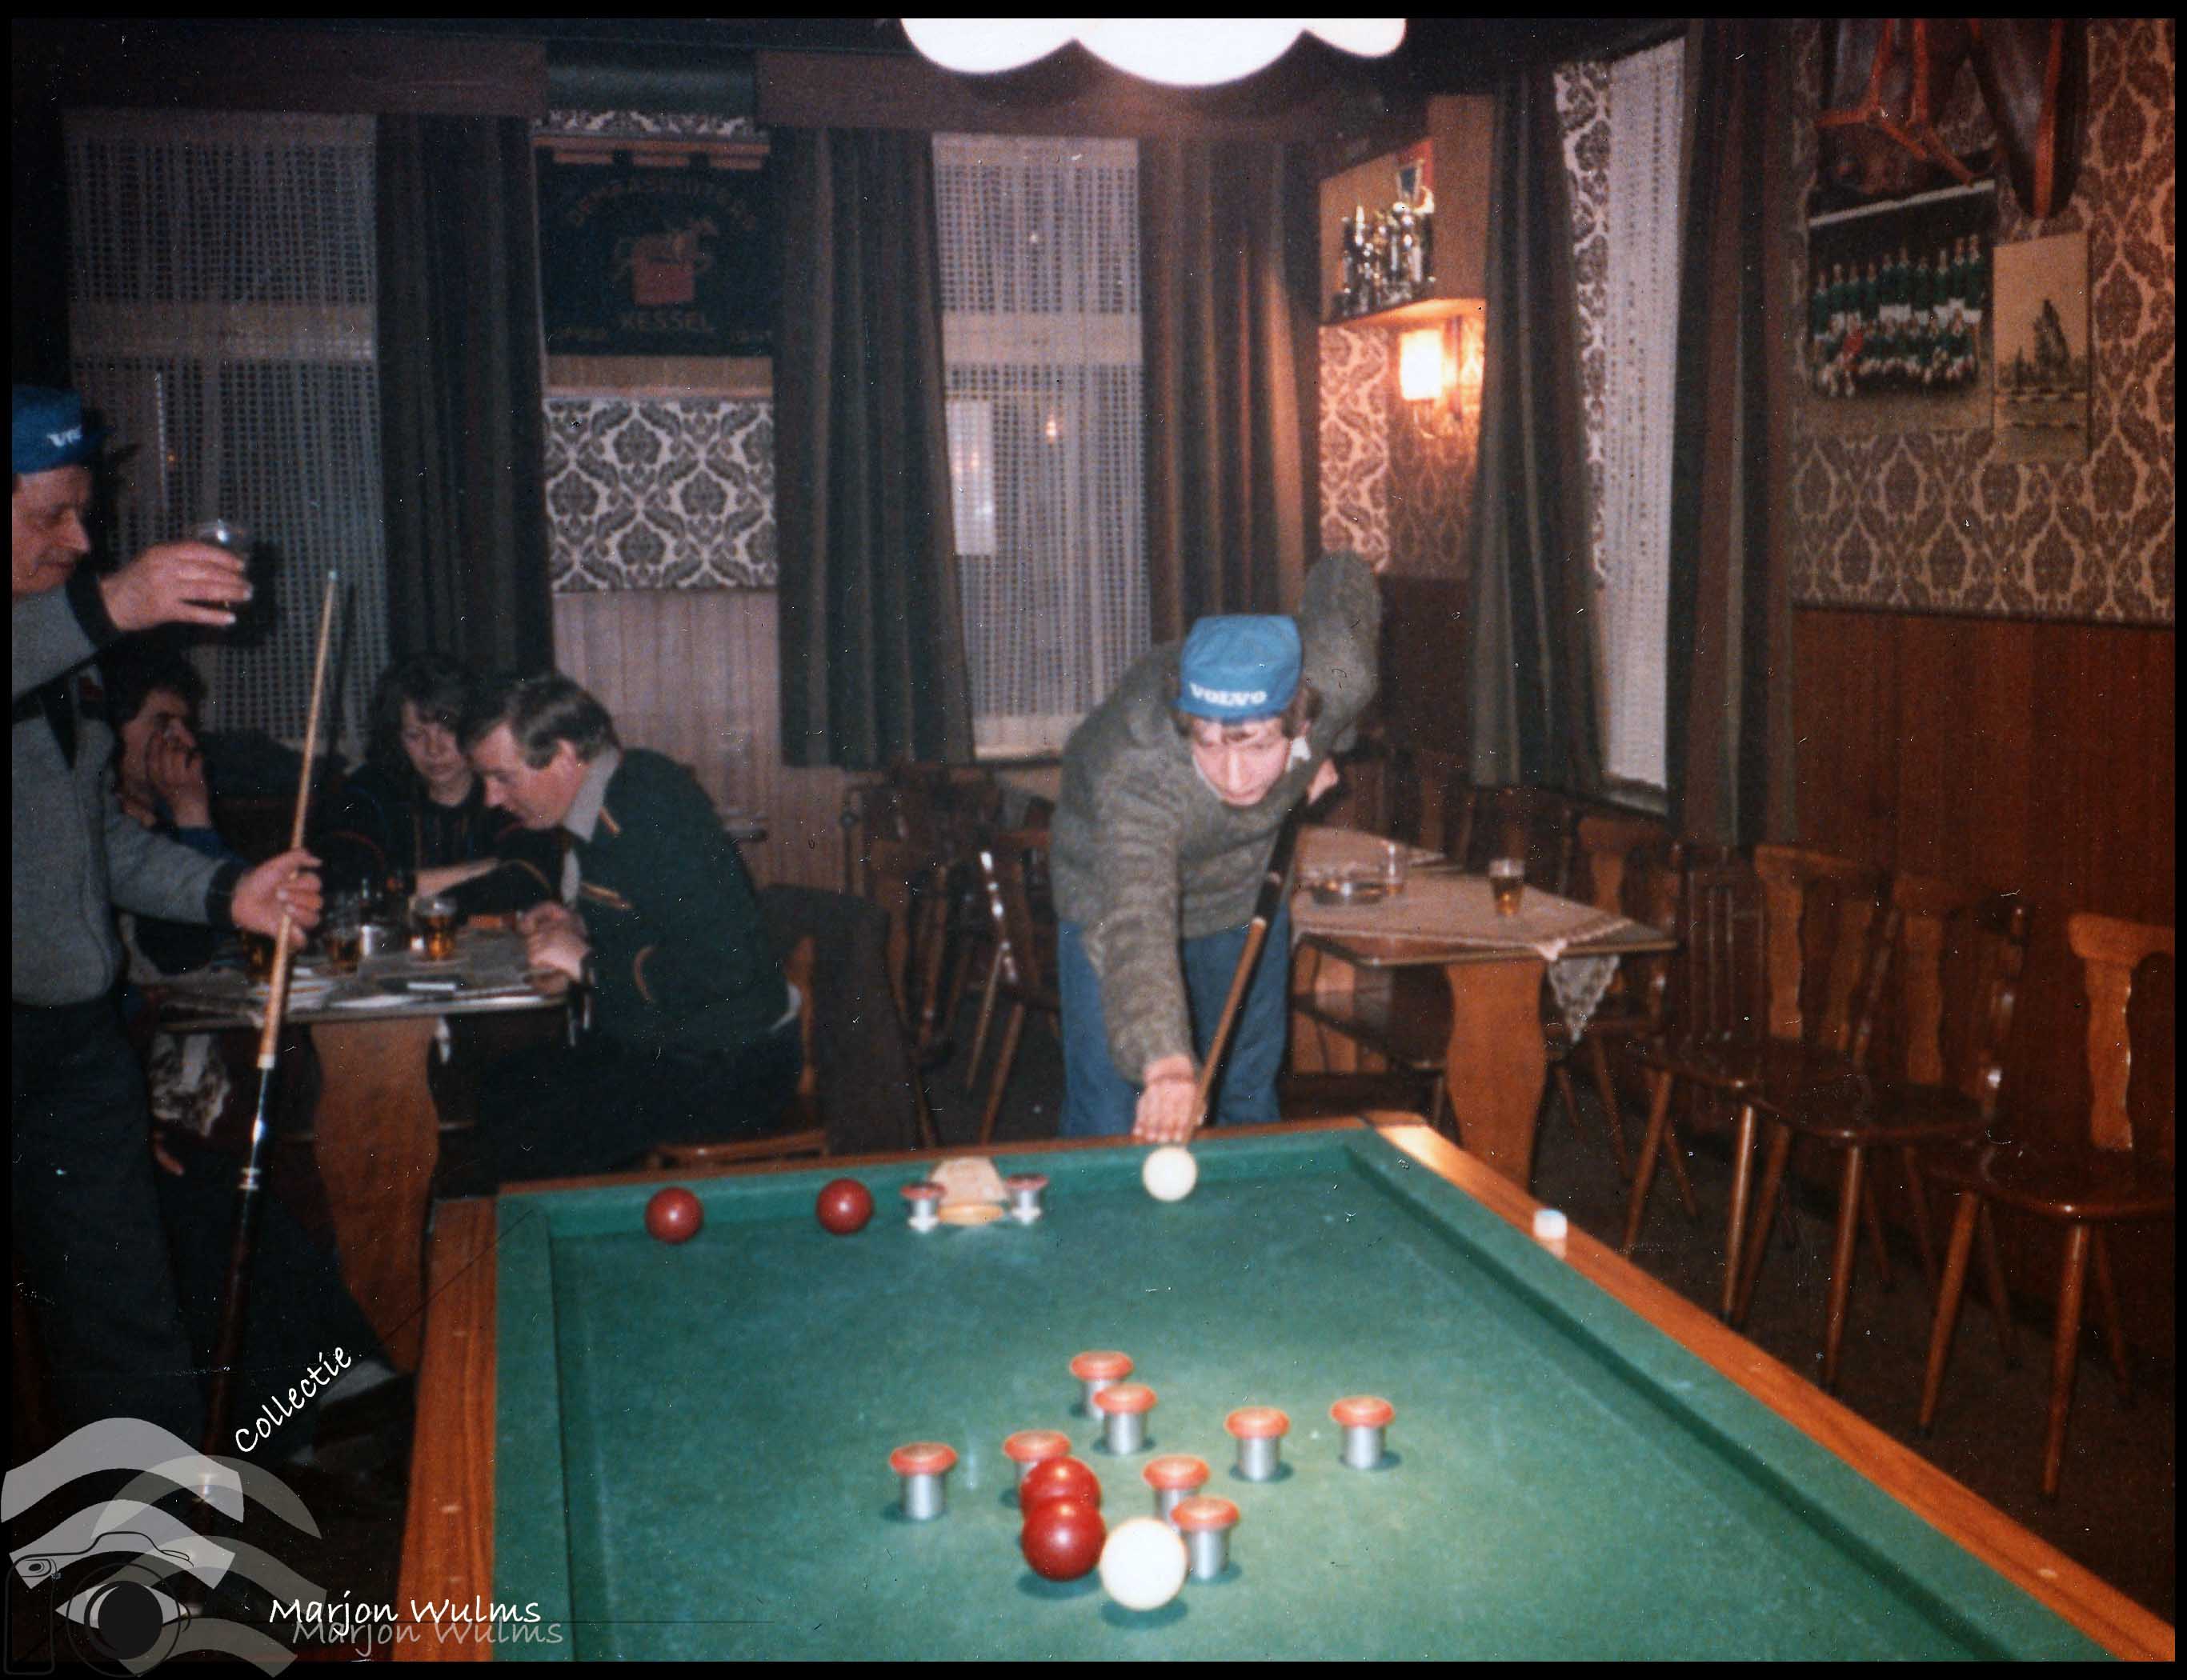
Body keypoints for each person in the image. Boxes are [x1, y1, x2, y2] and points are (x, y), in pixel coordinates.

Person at [12, 383, 322, 1446]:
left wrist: (227, 890)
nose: (79, 541)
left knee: (127, 1318)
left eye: (85, 514)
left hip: (73, 1042)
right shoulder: (70, 627)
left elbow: (94, 839)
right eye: (51, 515)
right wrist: (115, 602)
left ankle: (153, 1538)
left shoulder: (70, 661)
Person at [1048, 551, 1380, 1143]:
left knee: (1245, 1097)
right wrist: (1166, 1064)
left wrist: (1335, 740)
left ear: (1300, 722)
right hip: (1110, 892)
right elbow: (1136, 920)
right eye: (1209, 744)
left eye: (1256, 747)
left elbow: (1345, 576)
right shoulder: (1137, 770)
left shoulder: (1338, 675)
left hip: (1240, 887)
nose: (1233, 776)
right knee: (1113, 1119)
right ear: (1187, 724)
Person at [456, 672, 798, 1182]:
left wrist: (587, 965)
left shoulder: (649, 810)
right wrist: (578, 923)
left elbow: (723, 967)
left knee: (527, 1129)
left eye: (503, 777)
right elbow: (650, 915)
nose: (490, 797)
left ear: (564, 755)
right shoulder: (609, 796)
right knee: (502, 1085)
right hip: (669, 1046)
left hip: (729, 1064)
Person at [317, 652, 559, 916]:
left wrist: (402, 887)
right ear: (396, 737)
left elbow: (531, 879)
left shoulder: (504, 790)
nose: (434, 750)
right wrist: (488, 868)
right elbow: (346, 886)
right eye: (415, 735)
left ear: (473, 728)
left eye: (449, 730)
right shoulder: (371, 789)